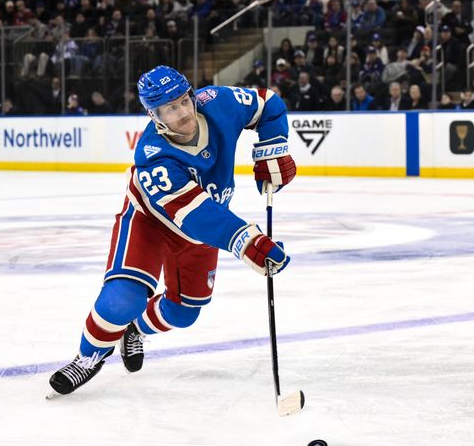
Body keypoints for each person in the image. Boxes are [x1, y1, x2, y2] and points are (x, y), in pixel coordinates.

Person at [48, 66, 296, 396]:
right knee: (123, 299)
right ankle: (88, 356)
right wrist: (249, 243)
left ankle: (135, 330)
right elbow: (196, 215)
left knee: (183, 313)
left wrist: (273, 149)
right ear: (154, 115)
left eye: (183, 101)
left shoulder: (219, 102)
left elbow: (268, 104)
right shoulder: (153, 156)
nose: (183, 113)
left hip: (201, 229)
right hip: (150, 222)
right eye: (170, 108)